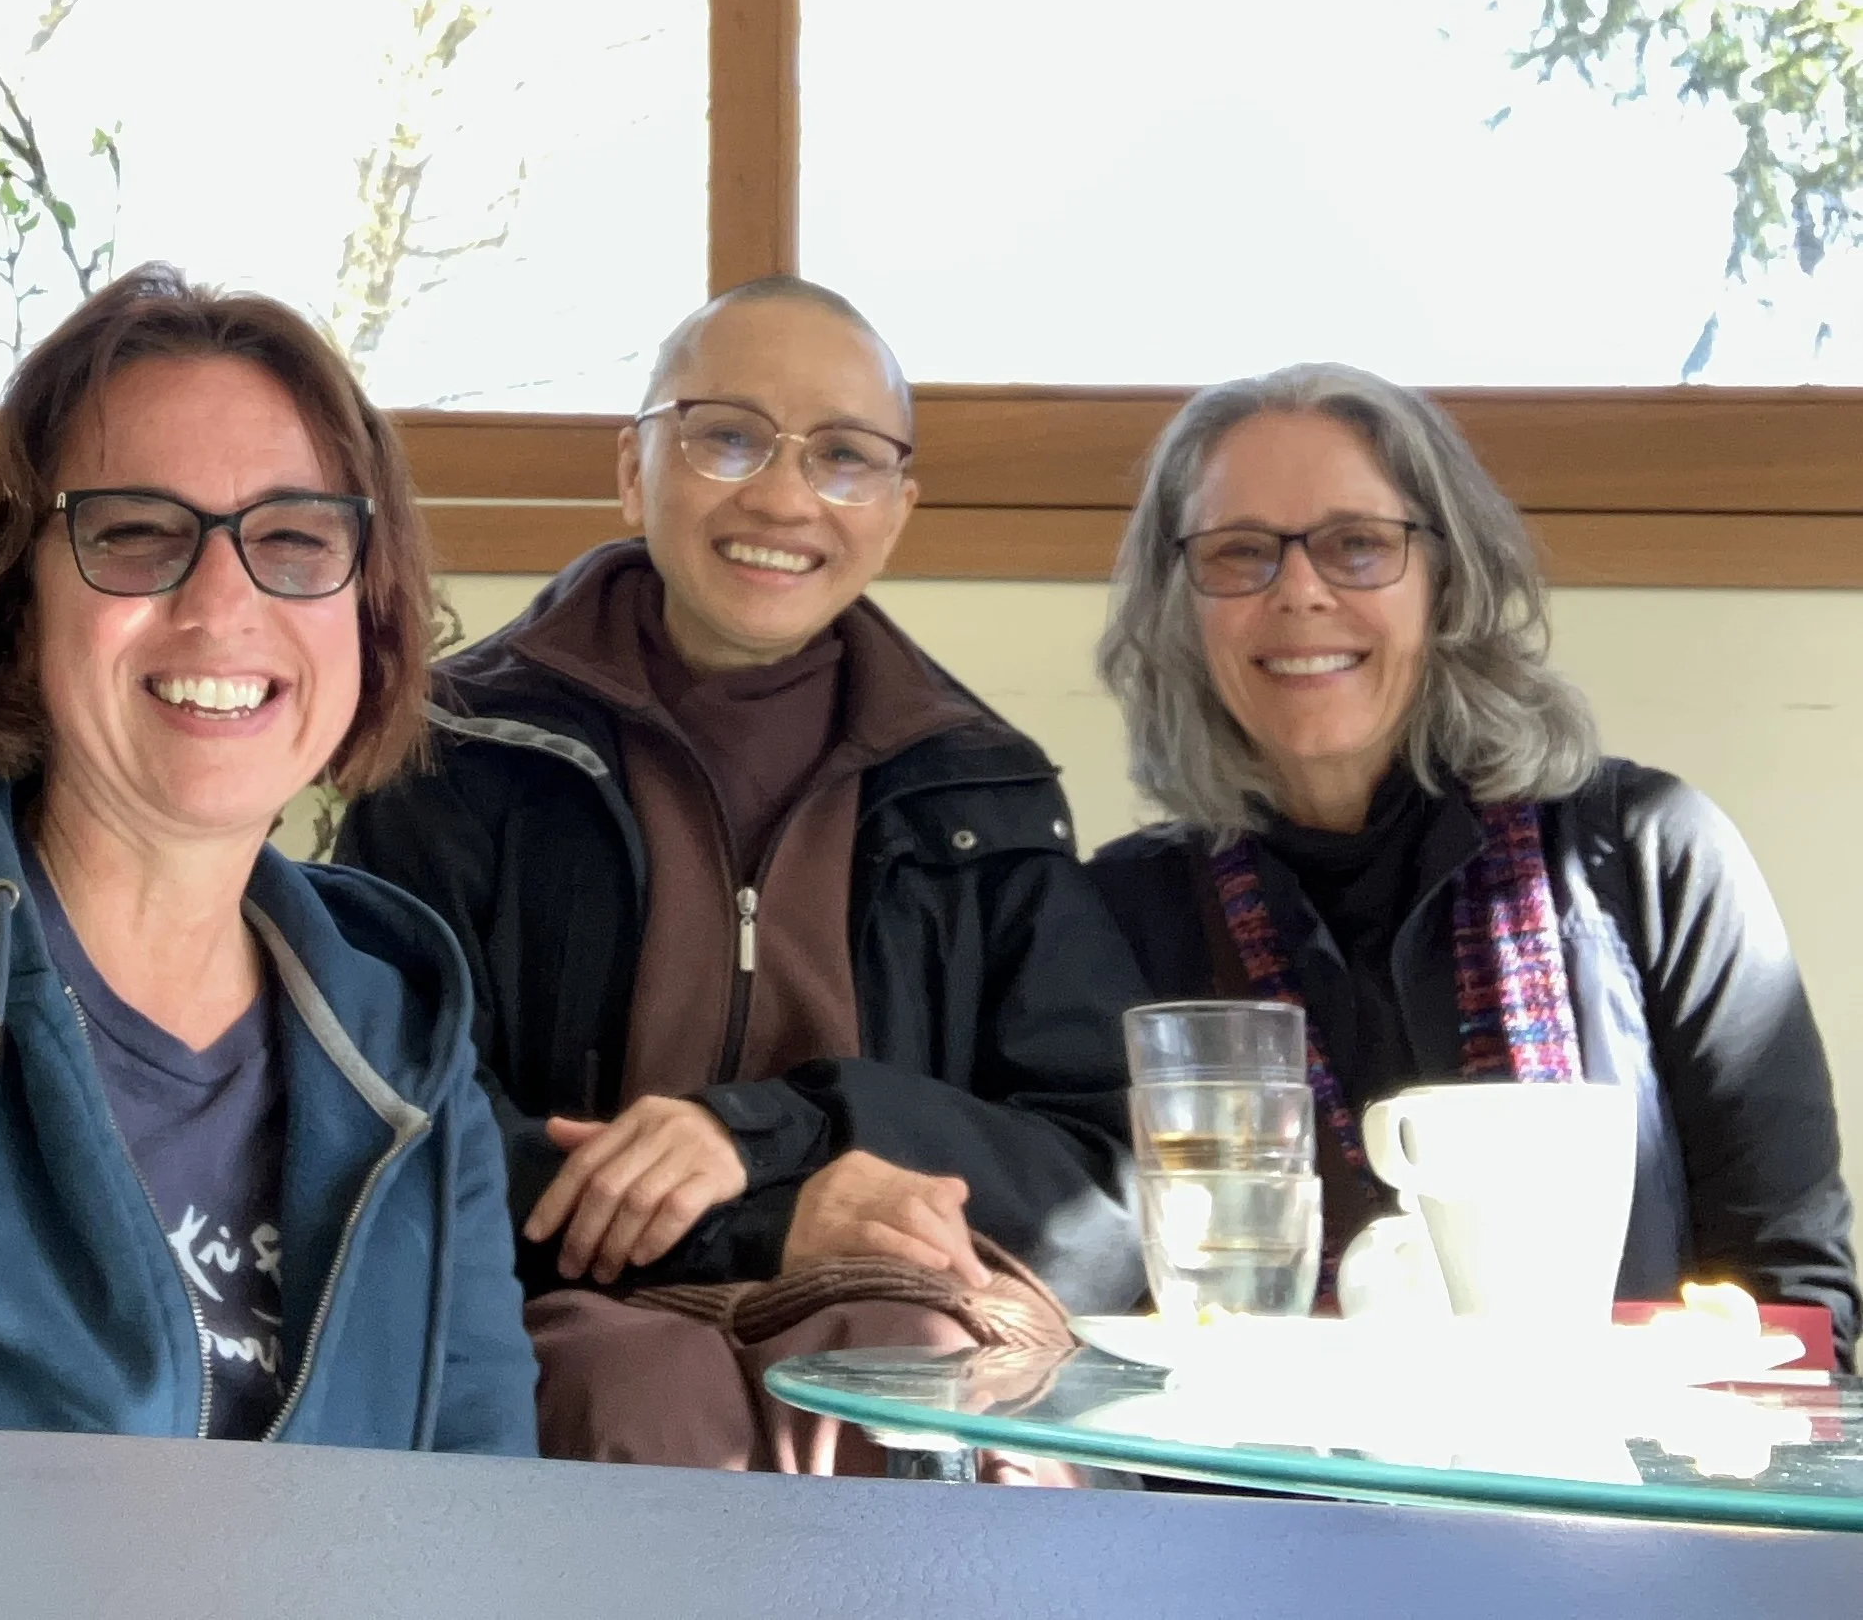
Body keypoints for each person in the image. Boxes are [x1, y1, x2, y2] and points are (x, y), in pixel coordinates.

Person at [0, 265, 537, 1448]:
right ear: (17, 604)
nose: (221, 600)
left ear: (371, 612)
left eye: (295, 539)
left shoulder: (406, 1046)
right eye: (138, 535)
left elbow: (482, 1519)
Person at [338, 275, 1145, 1470]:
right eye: (726, 438)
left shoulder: (982, 790)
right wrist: (762, 1218)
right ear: (632, 468)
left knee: (912, 1365)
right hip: (566, 1316)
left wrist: (790, 1135)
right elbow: (382, 1124)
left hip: (885, 1317)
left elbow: (1111, 1191)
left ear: (897, 505)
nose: (781, 496)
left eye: (844, 457)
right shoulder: (458, 753)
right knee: (633, 1385)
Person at [1087, 361, 1859, 1358]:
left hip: (1616, 1493)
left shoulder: (1650, 853)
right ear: (1179, 604)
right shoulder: (1109, 915)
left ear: (1446, 579)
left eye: (1358, 546)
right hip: (1240, 1504)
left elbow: (1794, 1298)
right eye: (1240, 554)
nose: (1300, 592)